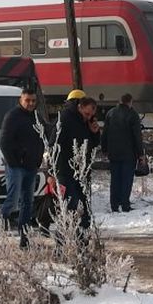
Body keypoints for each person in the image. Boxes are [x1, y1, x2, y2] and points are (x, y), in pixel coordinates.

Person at [0, 88, 45, 248]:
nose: (31, 103)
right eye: (28, 100)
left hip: (31, 165)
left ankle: (24, 236)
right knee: (12, 200)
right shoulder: (12, 117)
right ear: (21, 100)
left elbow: (44, 135)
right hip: (16, 166)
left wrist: (39, 158)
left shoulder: (36, 117)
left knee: (28, 202)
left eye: (33, 100)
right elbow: (4, 142)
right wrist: (13, 161)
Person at [56, 96, 101, 232]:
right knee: (71, 206)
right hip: (66, 170)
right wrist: (53, 172)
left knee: (85, 207)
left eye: (91, 115)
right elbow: (55, 144)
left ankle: (83, 240)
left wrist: (95, 133)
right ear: (79, 107)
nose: (88, 117)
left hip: (83, 171)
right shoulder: (66, 119)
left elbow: (93, 145)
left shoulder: (85, 121)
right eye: (87, 114)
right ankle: (64, 241)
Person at [101, 93, 143, 213]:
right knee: (126, 179)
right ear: (130, 102)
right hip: (129, 153)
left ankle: (114, 205)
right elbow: (137, 136)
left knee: (115, 179)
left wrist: (104, 149)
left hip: (113, 153)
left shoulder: (110, 113)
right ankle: (125, 204)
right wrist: (140, 154)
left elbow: (105, 133)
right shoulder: (133, 115)